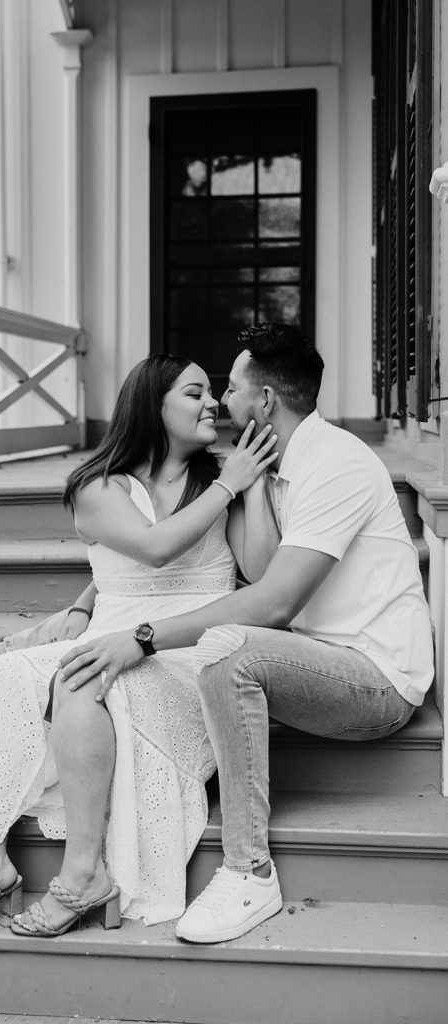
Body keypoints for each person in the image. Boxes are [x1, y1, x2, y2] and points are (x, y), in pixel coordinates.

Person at [57, 323, 434, 945]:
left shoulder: (334, 462)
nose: (218, 401)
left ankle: (249, 871)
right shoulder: (274, 465)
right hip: (313, 658)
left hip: (373, 682)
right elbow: (237, 568)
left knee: (228, 650)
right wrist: (83, 608)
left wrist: (145, 636)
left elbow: (275, 601)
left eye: (229, 389)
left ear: (263, 403)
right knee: (190, 654)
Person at [0, 353, 280, 942]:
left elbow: (263, 568)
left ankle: (83, 872)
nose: (213, 403)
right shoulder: (98, 486)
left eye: (212, 393)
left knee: (80, 680)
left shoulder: (225, 480)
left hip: (190, 652)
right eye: (195, 393)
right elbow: (152, 550)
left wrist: (258, 482)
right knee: (11, 676)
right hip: (114, 637)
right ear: (154, 404)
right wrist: (230, 484)